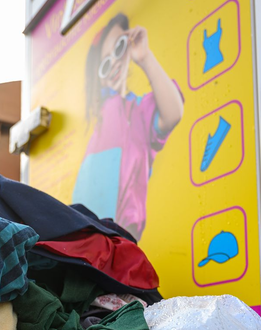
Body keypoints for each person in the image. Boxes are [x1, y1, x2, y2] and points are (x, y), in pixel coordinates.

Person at [71, 13, 184, 241]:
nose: (113, 63)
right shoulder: (95, 123)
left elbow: (173, 113)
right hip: (83, 246)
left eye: (119, 49)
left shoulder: (138, 110)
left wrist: (144, 57)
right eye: (105, 62)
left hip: (120, 245)